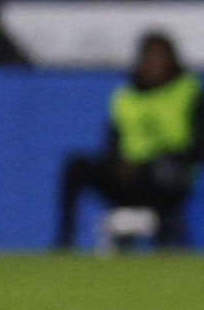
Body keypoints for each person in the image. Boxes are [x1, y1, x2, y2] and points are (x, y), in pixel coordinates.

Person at [56, 32, 197, 249]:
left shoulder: (188, 92)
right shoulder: (125, 95)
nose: (154, 64)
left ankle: (166, 239)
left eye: (161, 58)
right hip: (129, 173)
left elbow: (197, 146)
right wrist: (117, 162)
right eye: (150, 58)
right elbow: (112, 139)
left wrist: (159, 157)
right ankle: (64, 242)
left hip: (166, 174)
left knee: (164, 168)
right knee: (75, 166)